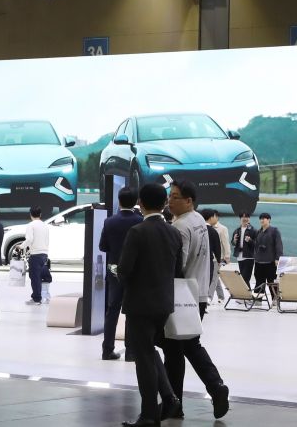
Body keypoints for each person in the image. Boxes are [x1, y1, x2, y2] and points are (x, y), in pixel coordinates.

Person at [163, 180, 230, 420]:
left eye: (175, 197)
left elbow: (177, 265)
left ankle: (175, 403)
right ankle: (214, 387)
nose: (170, 201)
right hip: (198, 293)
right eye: (169, 196)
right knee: (189, 345)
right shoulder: (199, 220)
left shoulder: (180, 226)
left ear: (189, 201)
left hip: (182, 296)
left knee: (174, 349)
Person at [118, 182, 183, 427]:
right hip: (164, 304)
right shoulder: (174, 233)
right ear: (164, 203)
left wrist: (120, 275)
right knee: (149, 350)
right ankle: (169, 397)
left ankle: (148, 414)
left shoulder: (137, 232)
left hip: (140, 304)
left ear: (141, 203)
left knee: (143, 357)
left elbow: (124, 270)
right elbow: (177, 270)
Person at [99, 187, 142, 361]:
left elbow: (103, 246)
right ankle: (130, 351)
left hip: (114, 269)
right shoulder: (140, 221)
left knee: (112, 309)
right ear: (136, 201)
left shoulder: (109, 222)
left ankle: (107, 349)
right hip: (134, 271)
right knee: (131, 311)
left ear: (119, 200)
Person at [203, 208, 230, 304]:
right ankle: (221, 296)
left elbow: (225, 243)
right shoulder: (204, 228)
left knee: (214, 278)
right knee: (215, 278)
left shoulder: (222, 228)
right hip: (207, 259)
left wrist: (227, 256)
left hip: (216, 258)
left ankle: (209, 297)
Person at [24, 206, 50, 306]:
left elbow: (29, 239)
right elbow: (47, 240)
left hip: (35, 255)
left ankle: (37, 299)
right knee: (41, 277)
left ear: (30, 214)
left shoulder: (31, 225)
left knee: (35, 277)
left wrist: (21, 246)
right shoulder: (45, 225)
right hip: (44, 254)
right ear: (40, 214)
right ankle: (40, 296)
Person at [253, 212, 283, 291]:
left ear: (269, 220)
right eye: (260, 219)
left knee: (272, 283)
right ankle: (259, 297)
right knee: (259, 283)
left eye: (263, 219)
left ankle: (275, 297)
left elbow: (279, 245)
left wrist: (278, 258)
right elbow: (256, 245)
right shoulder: (258, 231)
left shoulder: (274, 231)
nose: (261, 220)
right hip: (259, 262)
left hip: (270, 262)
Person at [200, 208, 223, 302]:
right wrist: (218, 260)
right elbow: (217, 248)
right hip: (208, 261)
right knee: (208, 280)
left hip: (197, 260)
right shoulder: (213, 231)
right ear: (211, 217)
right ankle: (204, 301)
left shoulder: (198, 229)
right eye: (214, 216)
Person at [231, 212, 257, 287]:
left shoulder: (253, 230)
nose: (245, 219)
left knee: (245, 278)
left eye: (247, 217)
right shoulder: (237, 230)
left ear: (249, 218)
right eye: (243, 217)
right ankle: (246, 293)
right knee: (242, 278)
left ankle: (246, 293)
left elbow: (257, 244)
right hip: (239, 256)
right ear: (240, 218)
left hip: (249, 257)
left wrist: (250, 240)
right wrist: (234, 240)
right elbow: (233, 243)